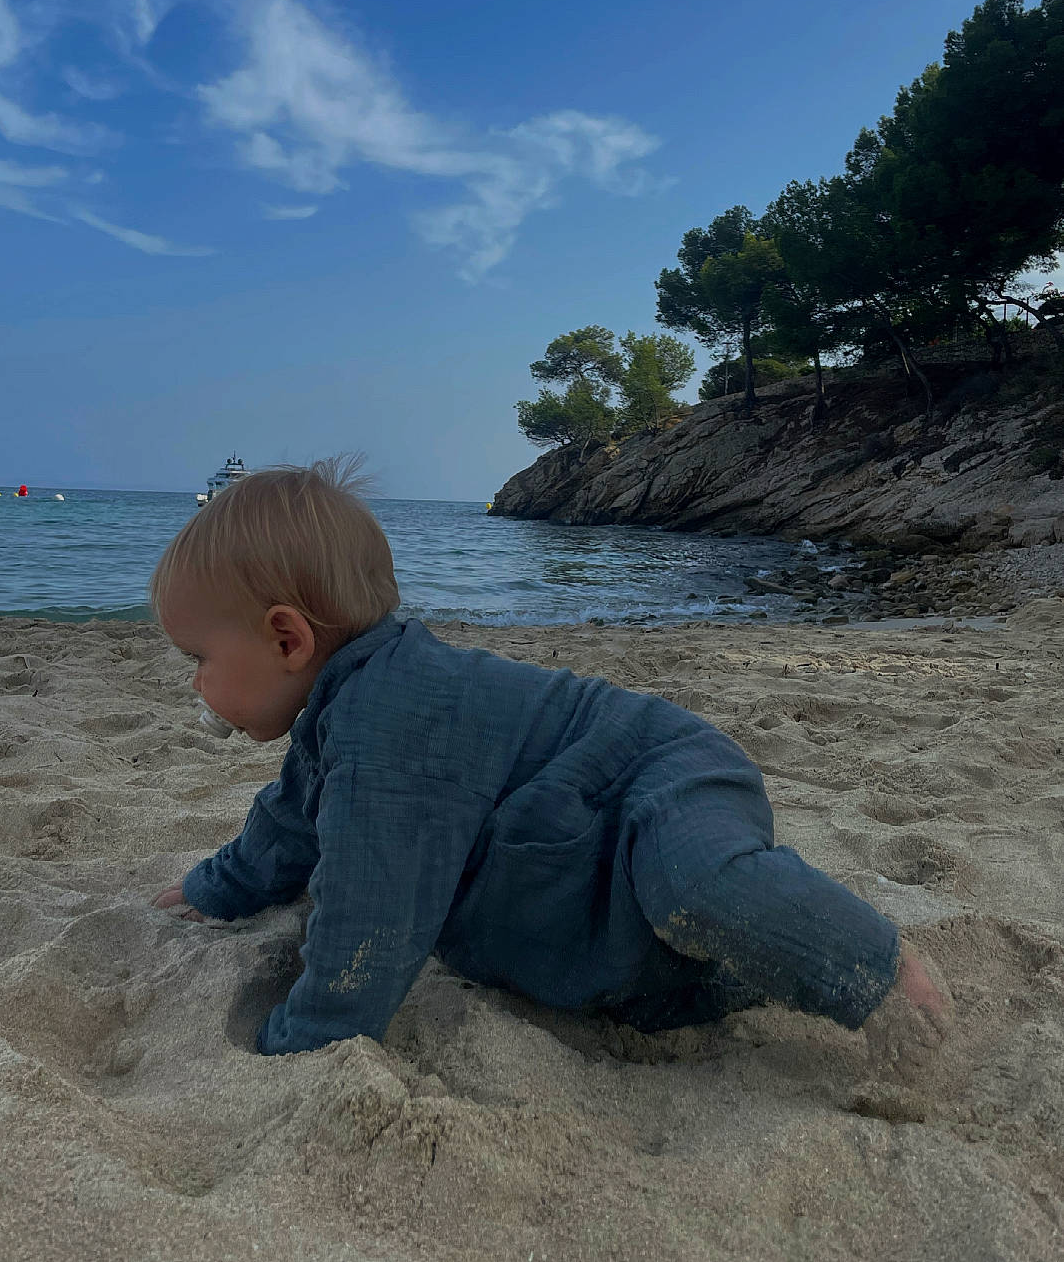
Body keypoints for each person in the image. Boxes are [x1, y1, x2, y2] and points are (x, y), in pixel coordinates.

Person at [150, 459, 950, 1073]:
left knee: (700, 886)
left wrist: (303, 1038)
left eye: (199, 657)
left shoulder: (385, 726)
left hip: (659, 774)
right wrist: (213, 888)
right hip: (595, 857)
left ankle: (879, 966)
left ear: (286, 638)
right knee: (666, 968)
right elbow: (287, 824)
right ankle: (743, 965)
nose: (194, 681)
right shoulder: (339, 721)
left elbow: (370, 921)